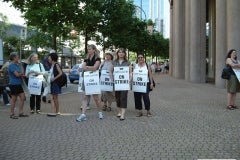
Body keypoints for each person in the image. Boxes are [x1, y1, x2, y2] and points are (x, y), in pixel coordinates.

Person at [76, 44, 103, 122]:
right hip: (86, 78)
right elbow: (82, 67)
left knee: (96, 98)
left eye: (90, 49)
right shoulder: (86, 58)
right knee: (85, 97)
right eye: (88, 49)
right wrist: (88, 68)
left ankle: (100, 112)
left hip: (94, 79)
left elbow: (95, 68)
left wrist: (87, 68)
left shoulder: (98, 58)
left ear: (94, 50)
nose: (89, 50)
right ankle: (83, 114)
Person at [111, 48, 132, 121]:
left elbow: (130, 72)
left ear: (124, 54)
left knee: (123, 97)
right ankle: (119, 111)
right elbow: (110, 71)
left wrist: (130, 79)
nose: (121, 53)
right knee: (117, 97)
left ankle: (123, 114)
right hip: (116, 83)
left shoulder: (128, 62)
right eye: (119, 52)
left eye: (122, 52)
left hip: (125, 84)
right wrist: (112, 78)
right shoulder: (114, 62)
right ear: (117, 54)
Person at [8, 52, 28, 119]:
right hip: (13, 84)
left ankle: (20, 112)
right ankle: (12, 113)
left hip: (19, 84)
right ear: (14, 58)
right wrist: (20, 74)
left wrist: (21, 65)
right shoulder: (11, 65)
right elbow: (17, 75)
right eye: (17, 57)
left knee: (23, 98)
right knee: (14, 99)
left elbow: (22, 72)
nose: (18, 58)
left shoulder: (17, 65)